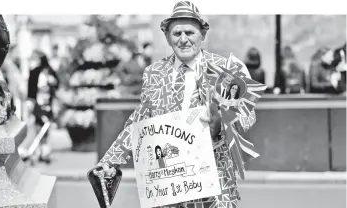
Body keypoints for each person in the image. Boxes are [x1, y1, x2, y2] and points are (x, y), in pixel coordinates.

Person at [95, 1, 254, 207]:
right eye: (177, 33)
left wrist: (222, 124)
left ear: (202, 35)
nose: (183, 39)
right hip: (168, 185)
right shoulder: (153, 73)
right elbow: (139, 122)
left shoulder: (224, 69)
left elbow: (247, 116)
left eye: (190, 32)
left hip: (214, 184)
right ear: (167, 37)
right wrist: (110, 161)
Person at [26, 50, 60, 164]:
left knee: (45, 127)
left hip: (47, 104)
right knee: (37, 126)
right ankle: (38, 151)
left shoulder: (50, 71)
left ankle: (44, 151)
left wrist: (52, 82)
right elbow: (31, 88)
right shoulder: (34, 72)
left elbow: (56, 84)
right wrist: (30, 101)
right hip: (37, 103)